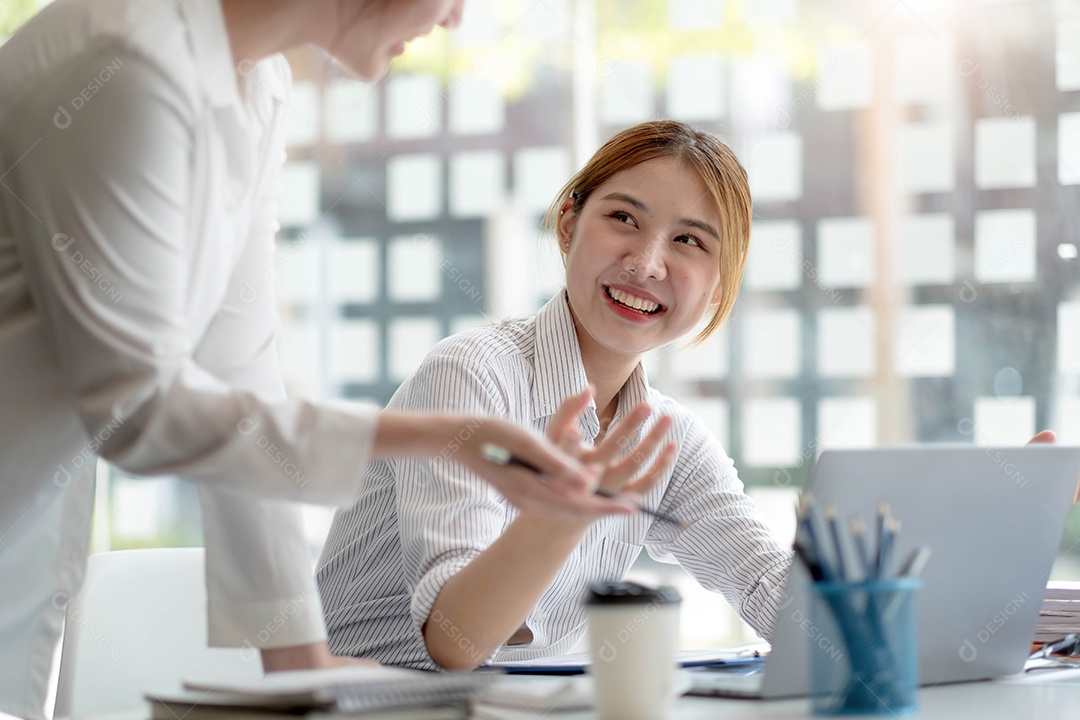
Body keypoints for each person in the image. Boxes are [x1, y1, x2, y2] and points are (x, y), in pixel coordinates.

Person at [0, 1, 635, 716]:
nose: (457, 18)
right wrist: (443, 438)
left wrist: (299, 662)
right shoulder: (124, 64)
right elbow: (138, 410)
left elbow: (239, 372)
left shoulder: (258, 86)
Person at [315, 120, 795, 669]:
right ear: (568, 223)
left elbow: (762, 577)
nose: (645, 263)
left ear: (718, 285)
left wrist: (852, 602)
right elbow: (455, 641)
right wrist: (561, 514)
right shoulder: (470, 377)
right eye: (623, 218)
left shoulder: (667, 439)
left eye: (688, 240)